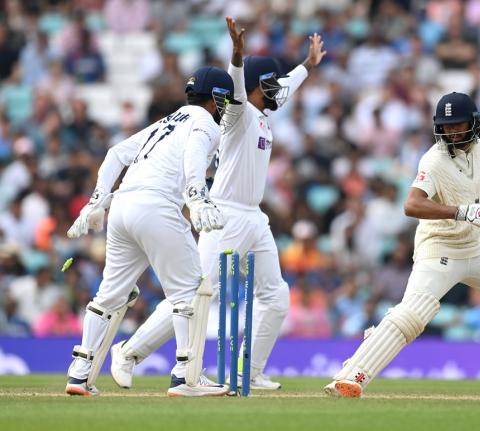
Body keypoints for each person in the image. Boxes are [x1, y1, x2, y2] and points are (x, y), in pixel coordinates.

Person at [109, 17, 326, 391]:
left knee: (275, 297)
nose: (279, 92)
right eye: (271, 86)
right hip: (223, 216)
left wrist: (307, 65)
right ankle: (128, 352)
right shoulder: (238, 114)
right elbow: (239, 85)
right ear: (258, 87)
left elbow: (286, 86)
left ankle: (249, 371)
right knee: (193, 294)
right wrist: (237, 57)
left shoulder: (263, 112)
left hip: (254, 218)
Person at [323, 92, 480, 401]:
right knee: (414, 313)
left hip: (473, 248)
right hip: (439, 248)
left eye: (458, 125)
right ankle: (350, 377)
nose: (452, 132)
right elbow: (412, 204)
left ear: (474, 124)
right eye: (447, 127)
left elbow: (475, 200)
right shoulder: (434, 159)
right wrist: (460, 212)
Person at [64, 65, 239, 397]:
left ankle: (80, 372)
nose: (227, 108)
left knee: (108, 296)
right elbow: (193, 154)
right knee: (193, 291)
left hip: (122, 208)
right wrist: (198, 197)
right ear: (217, 99)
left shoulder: (168, 120)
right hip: (156, 207)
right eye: (226, 101)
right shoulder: (204, 124)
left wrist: (97, 202)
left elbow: (116, 154)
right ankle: (186, 377)